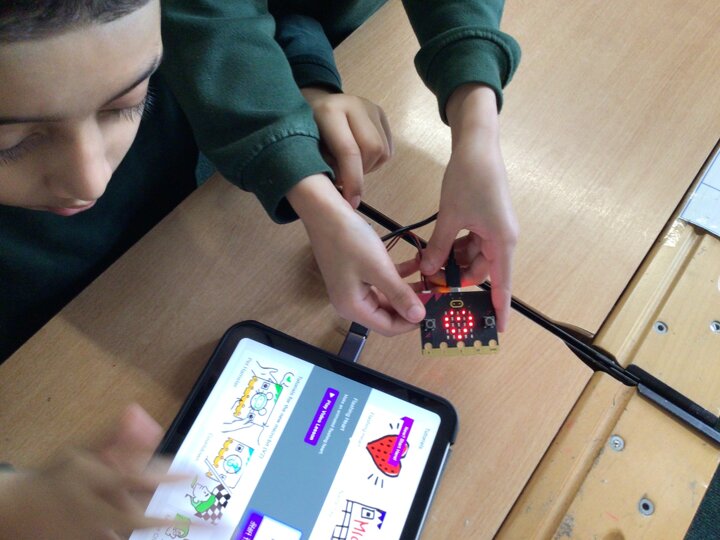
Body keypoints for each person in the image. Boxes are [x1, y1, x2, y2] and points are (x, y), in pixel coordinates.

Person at [162, 0, 521, 335]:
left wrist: (478, 128)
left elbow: (291, 20)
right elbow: (209, 24)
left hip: (330, 41)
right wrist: (312, 196)